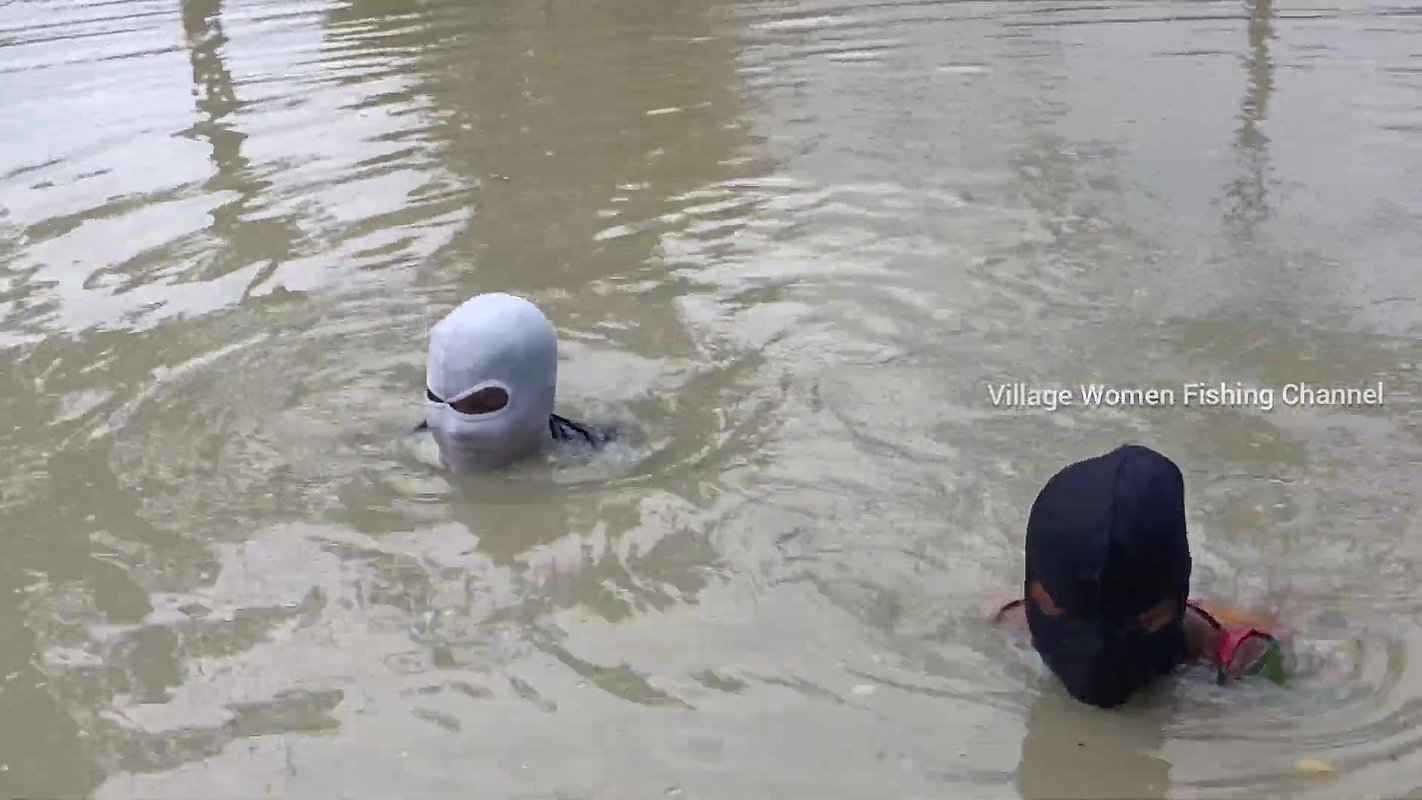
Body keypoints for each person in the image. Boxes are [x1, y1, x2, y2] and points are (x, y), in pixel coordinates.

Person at [993, 444, 1286, 708]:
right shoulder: (1010, 624)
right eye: (1063, 612)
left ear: (1176, 597)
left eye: (1145, 621)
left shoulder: (1241, 664)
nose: (1097, 650)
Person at [416, 292, 613, 473]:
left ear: (538, 398)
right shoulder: (413, 448)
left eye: (481, 406)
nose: (454, 429)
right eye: (438, 399)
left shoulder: (602, 462)